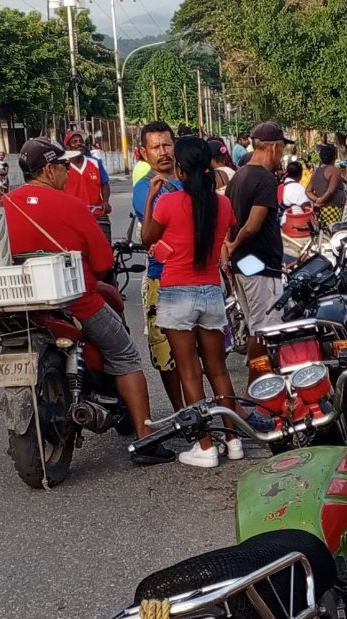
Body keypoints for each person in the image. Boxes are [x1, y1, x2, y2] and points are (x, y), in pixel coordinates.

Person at [3, 137, 174, 465]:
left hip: (20, 300)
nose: (67, 171)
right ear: (50, 170)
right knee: (125, 355)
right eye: (63, 166)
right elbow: (103, 264)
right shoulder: (72, 206)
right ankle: (146, 440)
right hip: (76, 300)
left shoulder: (5, 204)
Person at [141, 136, 243, 468]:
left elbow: (146, 239)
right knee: (218, 370)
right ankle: (233, 439)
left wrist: (152, 198)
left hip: (176, 294)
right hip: (211, 291)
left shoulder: (168, 204)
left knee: (189, 373)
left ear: (181, 170)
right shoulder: (223, 205)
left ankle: (204, 446)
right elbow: (229, 229)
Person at [225, 122, 289, 379]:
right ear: (274, 147)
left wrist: (228, 253)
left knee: (256, 327)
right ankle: (259, 391)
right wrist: (234, 245)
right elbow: (252, 226)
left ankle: (259, 389)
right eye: (282, 149)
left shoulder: (239, 175)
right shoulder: (265, 179)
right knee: (264, 331)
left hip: (244, 264)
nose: (282, 155)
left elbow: (227, 221)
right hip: (260, 263)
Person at [132, 121, 187, 414]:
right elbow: (163, 227)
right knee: (166, 353)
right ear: (144, 152)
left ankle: (203, 410)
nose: (163, 152)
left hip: (195, 277)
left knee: (200, 353)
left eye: (167, 145)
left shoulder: (187, 178)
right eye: (156, 147)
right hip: (161, 280)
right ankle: (182, 411)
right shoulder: (145, 189)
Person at [63, 131, 113, 242]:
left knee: (104, 246)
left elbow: (105, 184)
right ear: (68, 147)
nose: (79, 143)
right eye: (75, 142)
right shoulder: (63, 167)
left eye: (81, 141)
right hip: (72, 216)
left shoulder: (95, 163)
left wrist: (105, 201)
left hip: (96, 213)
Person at [306, 144, 347, 226]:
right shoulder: (334, 171)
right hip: (332, 208)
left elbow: (308, 191)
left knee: (322, 233)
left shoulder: (316, 172)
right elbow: (331, 190)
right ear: (334, 157)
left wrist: (316, 200)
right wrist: (321, 200)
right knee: (332, 233)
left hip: (319, 210)